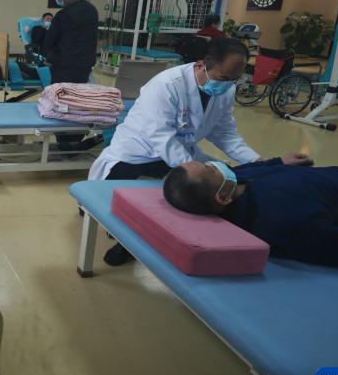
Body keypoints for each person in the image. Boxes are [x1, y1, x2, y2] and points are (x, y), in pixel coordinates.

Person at [89, 37, 310, 265]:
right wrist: (195, 172)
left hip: (183, 153)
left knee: (220, 184)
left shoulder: (225, 90)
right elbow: (161, 138)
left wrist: (260, 162)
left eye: (234, 79)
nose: (228, 84)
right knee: (176, 193)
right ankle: (126, 242)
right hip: (137, 154)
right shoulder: (167, 85)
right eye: (223, 78)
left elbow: (226, 134)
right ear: (201, 65)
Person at [162, 160, 338, 280]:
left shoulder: (234, 181)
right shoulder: (283, 224)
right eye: (210, 168)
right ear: (222, 199)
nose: (217, 164)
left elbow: (253, 168)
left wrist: (280, 161)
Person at [43, 0, 98, 84]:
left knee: (61, 94)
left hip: (64, 69)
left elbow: (48, 43)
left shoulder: (63, 15)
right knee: (78, 93)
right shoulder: (92, 10)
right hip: (85, 67)